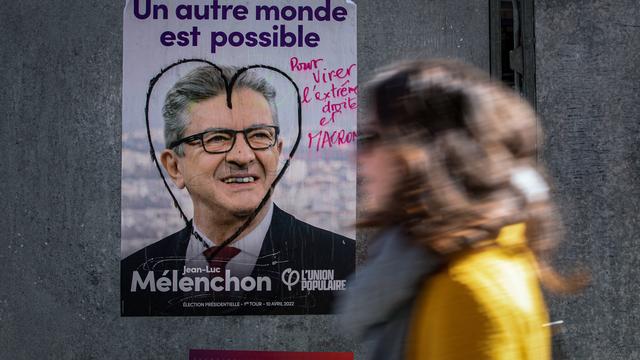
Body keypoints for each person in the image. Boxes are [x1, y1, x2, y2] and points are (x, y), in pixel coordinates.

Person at [338, 60, 584, 359]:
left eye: (371, 138)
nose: (358, 157)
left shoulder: (466, 289)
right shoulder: (441, 267)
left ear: (424, 150)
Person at [121, 65, 354, 316]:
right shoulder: (131, 277)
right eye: (217, 138)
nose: (242, 156)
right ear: (175, 166)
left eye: (259, 135)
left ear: (277, 152)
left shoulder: (346, 266)